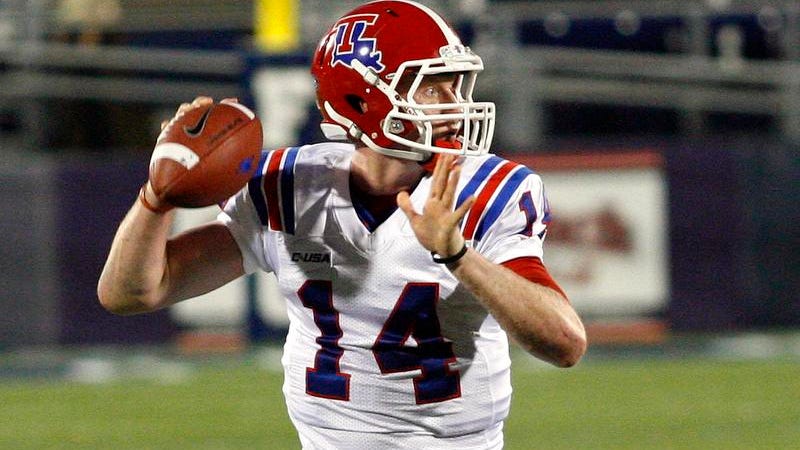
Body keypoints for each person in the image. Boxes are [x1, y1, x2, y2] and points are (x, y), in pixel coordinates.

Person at [97, 1, 586, 448]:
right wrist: (156, 198)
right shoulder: (289, 186)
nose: (452, 102)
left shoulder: (490, 190)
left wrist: (459, 255)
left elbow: (564, 344)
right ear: (360, 102)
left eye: (454, 84)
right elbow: (132, 293)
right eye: (430, 86)